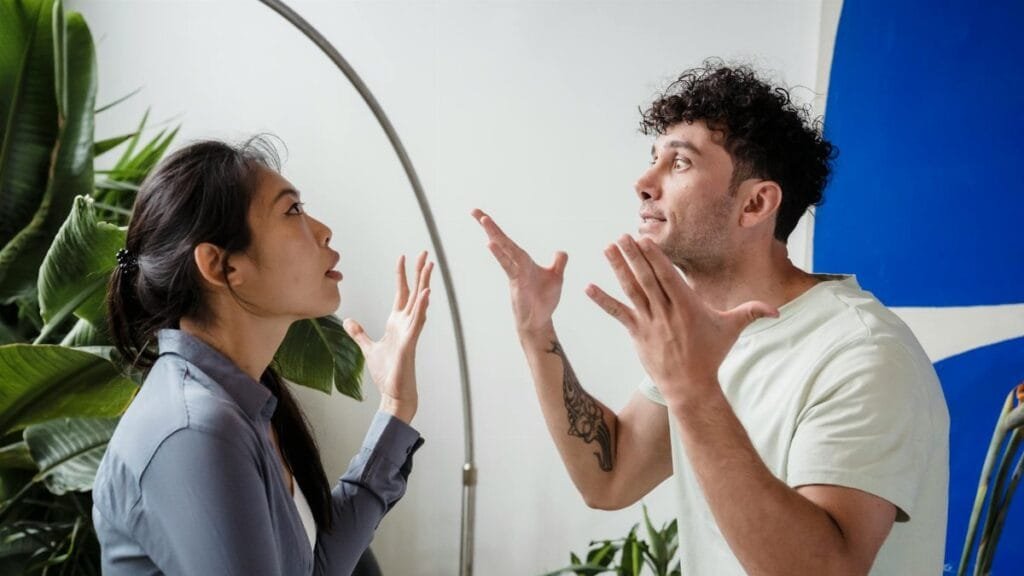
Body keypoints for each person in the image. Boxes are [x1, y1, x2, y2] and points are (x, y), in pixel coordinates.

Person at [473, 61, 949, 575]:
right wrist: (536, 331)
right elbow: (609, 478)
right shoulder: (707, 337)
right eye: (654, 158)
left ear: (755, 204)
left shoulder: (862, 353)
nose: (643, 182)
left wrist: (692, 388)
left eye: (679, 163)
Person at [92, 136, 433, 575]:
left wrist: (396, 405)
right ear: (220, 266)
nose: (322, 228)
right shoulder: (196, 430)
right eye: (292, 210)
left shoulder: (240, 403)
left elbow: (317, 565)